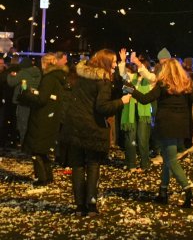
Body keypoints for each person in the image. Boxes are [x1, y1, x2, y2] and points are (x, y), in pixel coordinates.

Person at [128, 57, 193, 208]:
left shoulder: (163, 85)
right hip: (180, 125)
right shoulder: (186, 84)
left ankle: (187, 189)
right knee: (168, 158)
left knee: (171, 159)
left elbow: (145, 99)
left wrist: (129, 89)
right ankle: (163, 192)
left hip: (166, 124)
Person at [61, 49, 131, 215]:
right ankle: (91, 205)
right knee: (93, 165)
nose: (114, 65)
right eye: (113, 62)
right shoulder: (102, 81)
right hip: (92, 127)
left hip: (74, 125)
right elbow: (103, 107)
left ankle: (79, 206)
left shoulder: (80, 75)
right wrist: (121, 101)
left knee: (77, 166)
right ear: (105, 63)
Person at [21, 53, 68, 185]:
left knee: (37, 149)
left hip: (43, 118)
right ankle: (47, 176)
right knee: (42, 150)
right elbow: (49, 96)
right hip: (50, 117)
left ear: (45, 64)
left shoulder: (48, 78)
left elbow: (42, 99)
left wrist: (27, 95)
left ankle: (42, 178)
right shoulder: (57, 78)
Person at [118, 51, 155, 173]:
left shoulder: (151, 78)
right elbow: (123, 77)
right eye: (136, 66)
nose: (137, 68)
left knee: (143, 139)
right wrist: (123, 61)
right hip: (131, 110)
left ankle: (145, 164)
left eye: (140, 66)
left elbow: (148, 76)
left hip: (143, 112)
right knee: (130, 139)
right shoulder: (131, 77)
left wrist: (138, 63)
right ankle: (131, 164)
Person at [7, 55, 42, 146]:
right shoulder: (38, 72)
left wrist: (10, 75)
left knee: (22, 123)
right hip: (33, 100)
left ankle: (24, 144)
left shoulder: (23, 73)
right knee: (30, 123)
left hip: (23, 100)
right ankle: (32, 143)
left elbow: (12, 83)